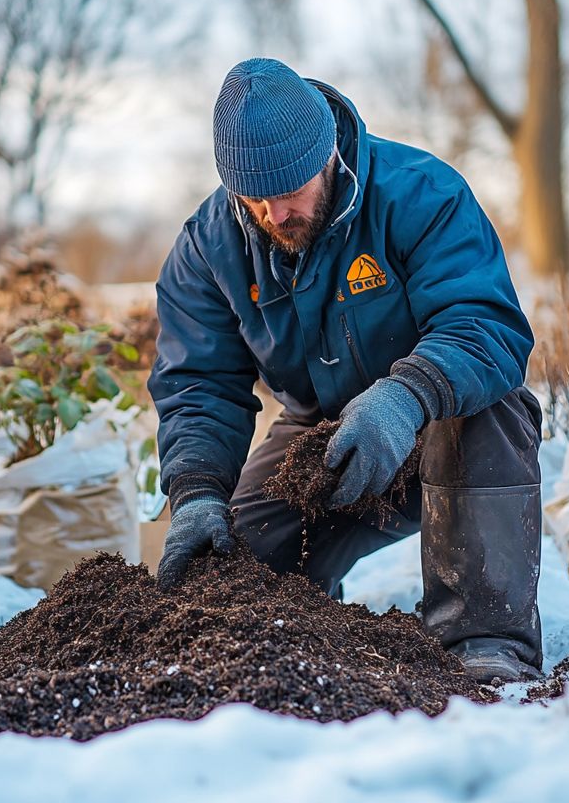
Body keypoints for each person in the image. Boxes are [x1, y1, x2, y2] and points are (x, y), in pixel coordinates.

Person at [147, 57, 543, 683]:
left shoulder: (420, 194)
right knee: (228, 572)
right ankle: (301, 634)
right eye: (256, 198)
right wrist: (195, 492)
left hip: (437, 421)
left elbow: (487, 327)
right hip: (323, 444)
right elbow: (199, 384)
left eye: (291, 191)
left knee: (493, 404)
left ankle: (485, 637)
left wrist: (405, 397)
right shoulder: (207, 248)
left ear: (328, 151)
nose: (275, 215)